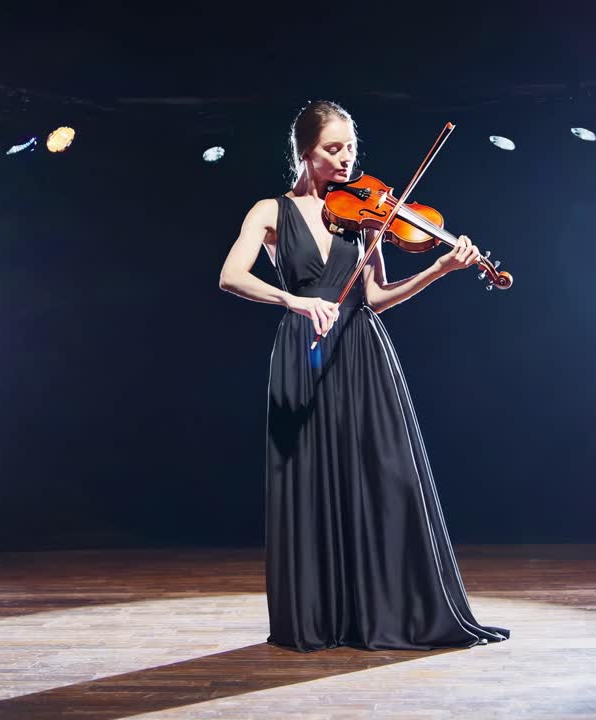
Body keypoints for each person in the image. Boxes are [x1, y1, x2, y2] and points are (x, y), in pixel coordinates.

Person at [218, 100, 509, 652]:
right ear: (305, 152)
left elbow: (374, 298)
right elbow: (231, 276)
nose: (346, 158)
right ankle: (317, 618)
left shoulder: (367, 218)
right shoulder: (270, 211)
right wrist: (294, 300)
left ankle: (390, 611)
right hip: (302, 351)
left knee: (385, 479)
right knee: (308, 483)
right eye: (333, 148)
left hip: (363, 353)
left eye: (351, 147)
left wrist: (439, 268)